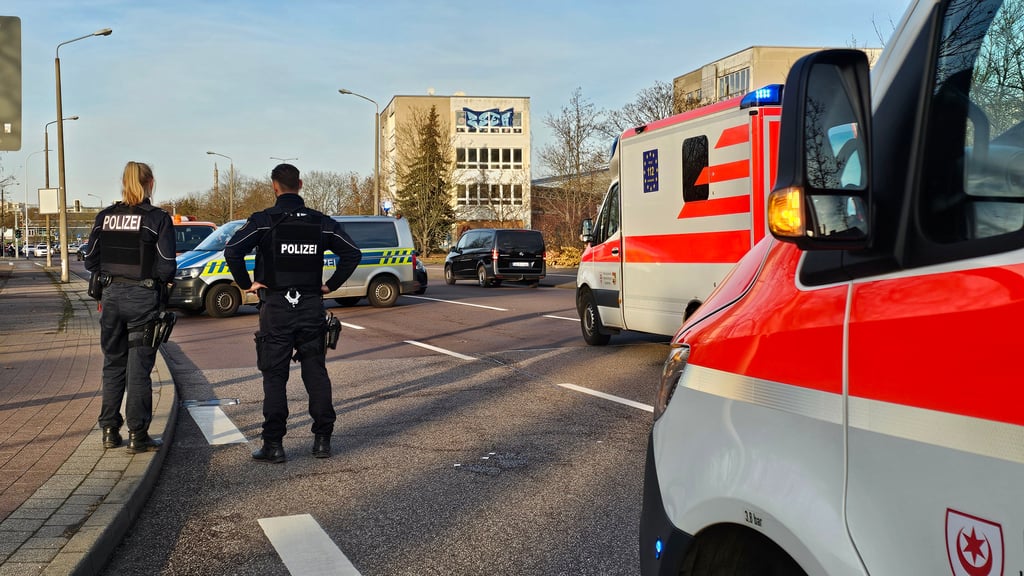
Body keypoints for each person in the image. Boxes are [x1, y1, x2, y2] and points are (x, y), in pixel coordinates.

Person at [224, 163, 361, 463]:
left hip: (276, 308)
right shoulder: (320, 222)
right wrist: (331, 285)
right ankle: (322, 441)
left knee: (275, 377)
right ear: (300, 184)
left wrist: (248, 284)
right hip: (311, 305)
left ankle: (274, 445)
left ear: (275, 186)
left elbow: (232, 250)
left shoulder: (263, 221)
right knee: (315, 372)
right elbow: (353, 253)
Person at [84, 161, 176, 453]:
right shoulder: (157, 219)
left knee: (113, 364)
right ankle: (138, 435)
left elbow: (90, 259)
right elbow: (167, 266)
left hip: (110, 299)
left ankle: (109, 431)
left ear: (123, 182)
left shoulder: (105, 217)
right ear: (150, 182)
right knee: (139, 370)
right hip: (142, 299)